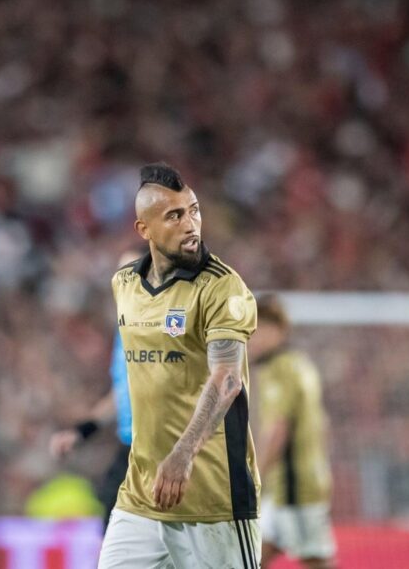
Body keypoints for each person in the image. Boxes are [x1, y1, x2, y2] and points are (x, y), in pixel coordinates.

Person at [98, 162, 261, 569]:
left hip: (213, 499)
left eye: (194, 210)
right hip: (141, 496)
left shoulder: (222, 288)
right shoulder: (125, 286)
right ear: (144, 230)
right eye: (175, 215)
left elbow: (227, 381)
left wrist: (183, 453)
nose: (191, 224)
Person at [49, 250, 141, 528]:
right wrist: (82, 431)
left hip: (157, 448)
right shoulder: (124, 332)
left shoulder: (164, 332)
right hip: (131, 446)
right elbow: (123, 393)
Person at [250, 295, 336, 569]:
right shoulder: (301, 364)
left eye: (257, 330)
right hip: (298, 481)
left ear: (276, 330)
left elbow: (277, 430)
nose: (252, 339)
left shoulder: (280, 369)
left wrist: (256, 479)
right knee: (253, 556)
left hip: (294, 486)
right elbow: (324, 424)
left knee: (315, 560)